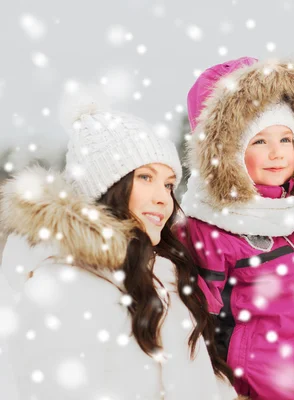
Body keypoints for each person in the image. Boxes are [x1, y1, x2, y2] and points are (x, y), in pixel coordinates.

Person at [0, 93, 238, 399]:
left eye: (168, 184)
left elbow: (195, 377)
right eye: (145, 177)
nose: (163, 197)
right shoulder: (65, 282)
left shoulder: (162, 271)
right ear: (107, 187)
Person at [178, 57, 294, 399]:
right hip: (255, 389)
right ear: (230, 153)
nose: (277, 154)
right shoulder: (211, 226)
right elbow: (198, 326)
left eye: (285, 140)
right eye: (260, 142)